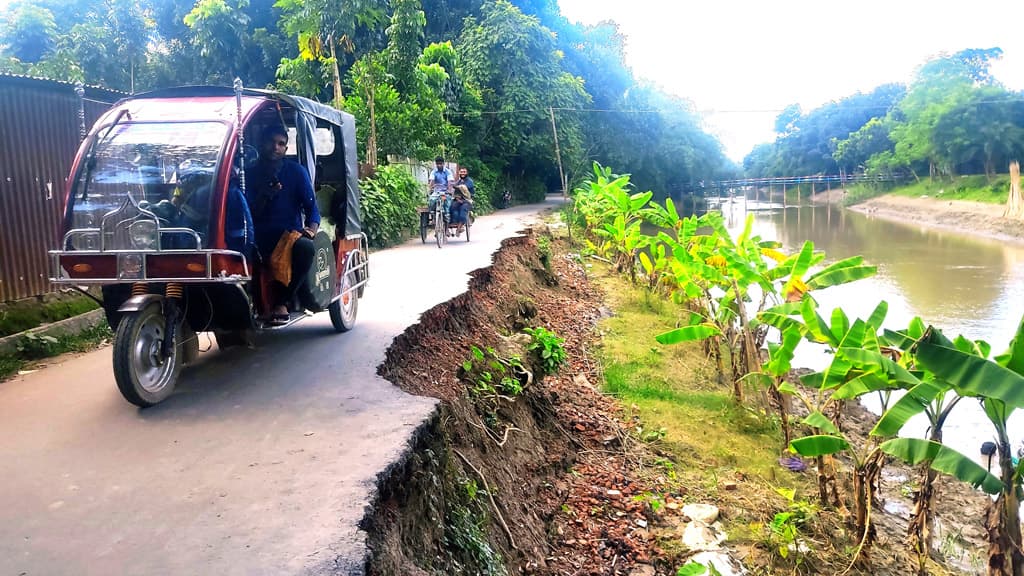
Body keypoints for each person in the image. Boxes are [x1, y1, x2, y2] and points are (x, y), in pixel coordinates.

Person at [246, 125, 320, 324]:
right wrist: (265, 196)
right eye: (271, 142)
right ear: (261, 144)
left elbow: (312, 209)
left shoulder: (296, 172)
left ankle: (282, 301)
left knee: (305, 248)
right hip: (256, 237)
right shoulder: (249, 174)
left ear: (286, 149)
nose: (275, 147)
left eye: (281, 144)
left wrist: (311, 230)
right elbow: (247, 212)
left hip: (287, 238)